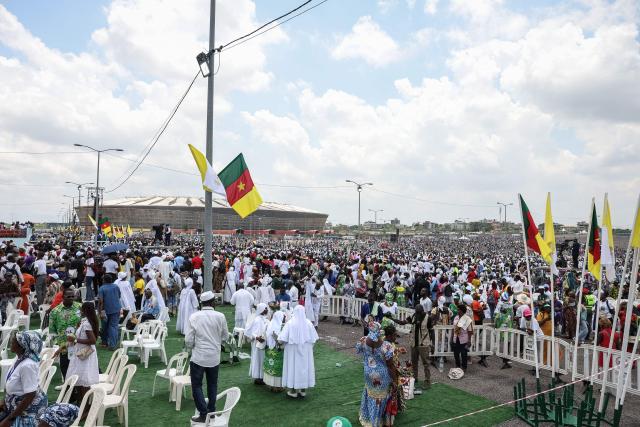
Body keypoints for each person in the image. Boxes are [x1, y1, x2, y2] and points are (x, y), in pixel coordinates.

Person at [185, 291, 229, 423]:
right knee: (212, 384)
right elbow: (225, 336)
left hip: (199, 356)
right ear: (213, 302)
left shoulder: (195, 316)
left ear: (202, 303)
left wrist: (193, 346)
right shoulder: (220, 316)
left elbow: (188, 340)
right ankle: (212, 412)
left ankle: (203, 414)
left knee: (196, 385)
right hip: (214, 357)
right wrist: (216, 342)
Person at [0, 331, 48, 426]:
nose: (11, 343)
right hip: (15, 406)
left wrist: (11, 418)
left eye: (13, 341)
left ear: (22, 346)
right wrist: (4, 401)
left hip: (27, 411)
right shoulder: (19, 358)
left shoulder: (27, 365)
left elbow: (30, 396)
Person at [355, 321, 396, 427]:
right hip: (382, 376)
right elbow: (390, 365)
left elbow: (358, 350)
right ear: (379, 331)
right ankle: (377, 421)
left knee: (370, 393)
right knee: (380, 397)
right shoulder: (386, 346)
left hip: (368, 374)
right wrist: (394, 380)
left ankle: (367, 417)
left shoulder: (363, 341)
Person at [65, 302, 99, 412]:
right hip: (81, 354)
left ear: (85, 310)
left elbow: (93, 340)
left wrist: (75, 340)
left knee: (84, 381)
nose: (80, 311)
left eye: (81, 309)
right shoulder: (86, 322)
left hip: (85, 355)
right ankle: (82, 405)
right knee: (79, 380)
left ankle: (86, 408)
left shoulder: (87, 324)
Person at [278, 305, 318, 399]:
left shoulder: (290, 323)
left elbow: (282, 338)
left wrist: (279, 343)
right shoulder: (308, 323)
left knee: (293, 368)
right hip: (306, 350)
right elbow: (314, 338)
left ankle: (293, 391)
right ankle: (303, 390)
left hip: (292, 350)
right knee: (304, 369)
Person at [394, 304, 432, 394]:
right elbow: (403, 322)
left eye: (418, 312)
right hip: (414, 344)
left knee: (426, 363)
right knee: (414, 363)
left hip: (424, 344)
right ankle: (415, 378)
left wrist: (432, 344)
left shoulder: (428, 318)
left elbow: (431, 331)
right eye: (416, 312)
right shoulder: (414, 316)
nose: (417, 314)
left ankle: (427, 381)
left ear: (422, 311)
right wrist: (392, 319)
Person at [48, 288, 82, 380]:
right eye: (68, 296)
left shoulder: (80, 307)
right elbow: (53, 330)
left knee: (80, 369)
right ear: (63, 297)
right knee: (66, 369)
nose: (71, 298)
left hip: (79, 344)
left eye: (73, 296)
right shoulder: (55, 311)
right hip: (64, 346)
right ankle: (67, 387)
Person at [246, 303, 269, 385]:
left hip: (263, 342)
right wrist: (257, 337)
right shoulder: (257, 319)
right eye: (265, 308)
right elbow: (249, 331)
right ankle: (258, 377)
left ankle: (262, 377)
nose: (267, 310)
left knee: (262, 360)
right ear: (261, 310)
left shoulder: (265, 319)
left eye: (266, 308)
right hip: (257, 343)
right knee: (257, 359)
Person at [97, 273, 121, 350]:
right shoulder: (116, 286)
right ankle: (112, 344)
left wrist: (100, 311)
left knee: (105, 327)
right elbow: (119, 296)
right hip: (116, 309)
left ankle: (105, 342)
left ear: (104, 280)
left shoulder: (102, 288)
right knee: (113, 327)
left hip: (106, 310)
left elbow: (100, 301)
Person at [263, 311, 286, 391]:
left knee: (270, 366)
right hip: (277, 351)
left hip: (269, 350)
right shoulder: (280, 327)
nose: (284, 318)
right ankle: (278, 386)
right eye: (283, 317)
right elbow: (282, 340)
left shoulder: (269, 325)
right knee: (277, 368)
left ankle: (272, 385)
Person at [452, 304, 473, 371]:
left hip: (464, 339)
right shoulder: (456, 317)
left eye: (458, 309)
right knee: (456, 353)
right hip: (456, 338)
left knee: (464, 354)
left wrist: (469, 340)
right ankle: (457, 365)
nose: (457, 310)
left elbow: (470, 331)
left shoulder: (467, 319)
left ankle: (464, 367)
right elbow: (454, 328)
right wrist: (452, 337)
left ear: (461, 310)